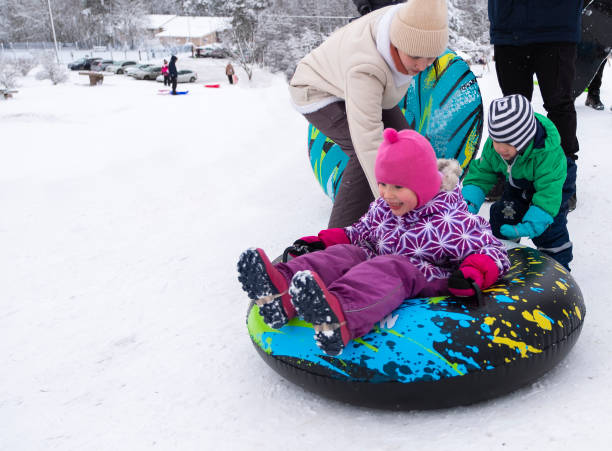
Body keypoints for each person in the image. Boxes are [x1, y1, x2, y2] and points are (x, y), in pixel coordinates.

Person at [237, 128, 510, 356]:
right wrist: (321, 243)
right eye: (382, 183)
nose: (387, 194)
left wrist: (472, 273)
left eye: (398, 187)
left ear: (424, 184)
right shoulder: (385, 206)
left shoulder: (451, 219)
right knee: (347, 254)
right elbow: (360, 232)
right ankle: (281, 291)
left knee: (390, 266)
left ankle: (340, 316)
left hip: (423, 273)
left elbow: (492, 250)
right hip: (378, 261)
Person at [289, 0, 449, 228]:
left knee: (409, 143)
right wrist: (392, 209)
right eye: (414, 57)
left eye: (430, 58)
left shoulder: (406, 21)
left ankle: (429, 212)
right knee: (367, 157)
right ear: (397, 43)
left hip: (362, 84)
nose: (422, 66)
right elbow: (369, 143)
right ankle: (335, 246)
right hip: (316, 89)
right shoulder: (366, 67)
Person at [487, 0, 581, 211]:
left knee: (559, 105)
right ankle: (511, 173)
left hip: (557, 25)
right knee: (510, 109)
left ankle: (562, 177)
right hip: (508, 24)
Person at [462, 94, 573, 270]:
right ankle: (503, 253)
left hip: (554, 184)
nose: (499, 147)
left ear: (524, 138)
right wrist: (467, 202)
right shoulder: (496, 148)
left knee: (550, 229)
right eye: (495, 139)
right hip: (518, 181)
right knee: (503, 215)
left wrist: (537, 220)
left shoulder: (547, 153)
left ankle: (558, 268)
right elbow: (482, 172)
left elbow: (548, 193)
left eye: (506, 142)